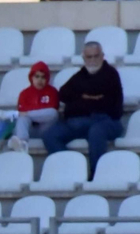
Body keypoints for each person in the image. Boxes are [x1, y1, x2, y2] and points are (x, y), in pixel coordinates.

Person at [43, 41, 125, 178]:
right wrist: (89, 97)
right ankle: (70, 171)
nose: (92, 60)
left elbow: (112, 105)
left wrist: (82, 99)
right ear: (83, 58)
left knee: (96, 132)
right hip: (79, 122)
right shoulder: (80, 75)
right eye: (89, 57)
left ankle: (96, 175)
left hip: (107, 121)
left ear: (102, 56)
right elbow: (62, 94)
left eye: (96, 56)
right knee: (50, 135)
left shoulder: (111, 74)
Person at [0, 60, 58, 152]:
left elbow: (50, 113)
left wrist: (28, 113)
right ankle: (21, 142)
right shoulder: (24, 93)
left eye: (43, 77)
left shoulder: (52, 92)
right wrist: (30, 114)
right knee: (22, 118)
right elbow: (23, 114)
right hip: (30, 129)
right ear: (32, 77)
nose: (40, 80)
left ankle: (14, 117)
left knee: (53, 113)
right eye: (37, 76)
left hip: (46, 129)